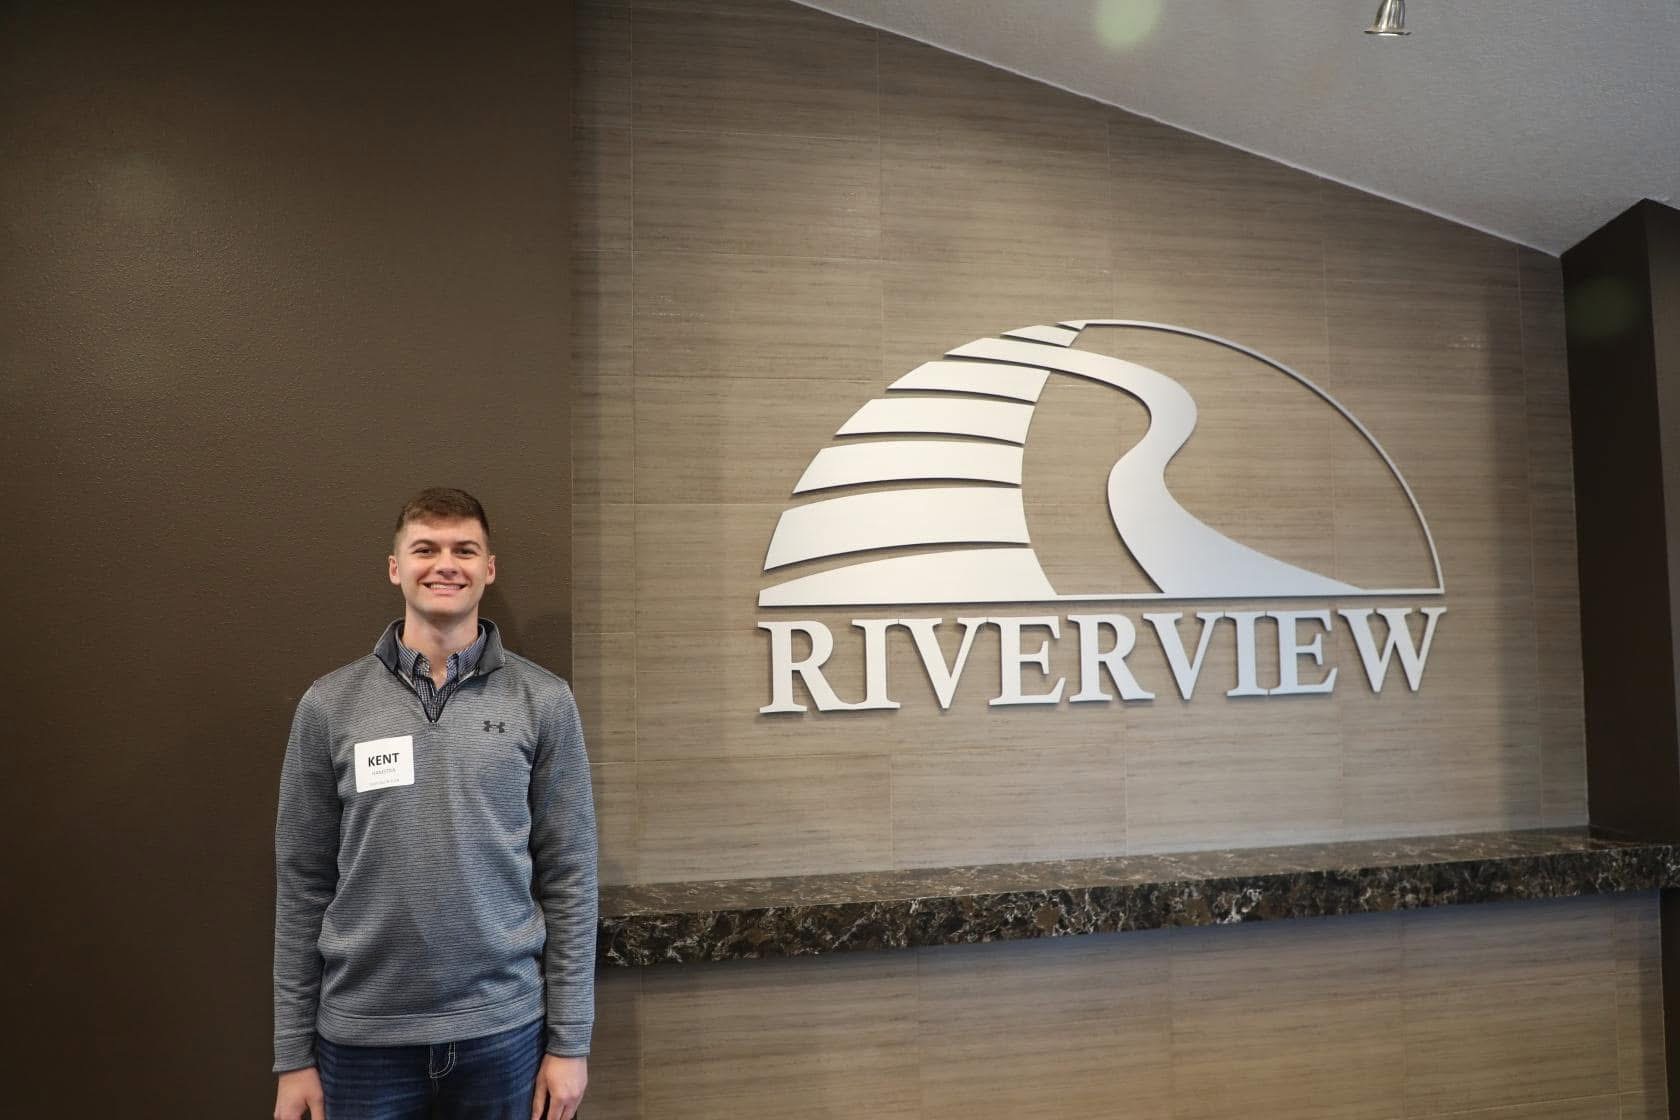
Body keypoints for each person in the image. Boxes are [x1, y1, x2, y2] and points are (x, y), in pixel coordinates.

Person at [272, 488, 597, 1120]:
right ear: (396, 567)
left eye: (463, 550)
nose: (444, 563)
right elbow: (302, 883)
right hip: (362, 1041)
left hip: (506, 1034)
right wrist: (293, 1054)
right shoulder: (329, 706)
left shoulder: (544, 701)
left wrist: (571, 1042)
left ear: (488, 569)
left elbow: (570, 877)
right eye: (425, 548)